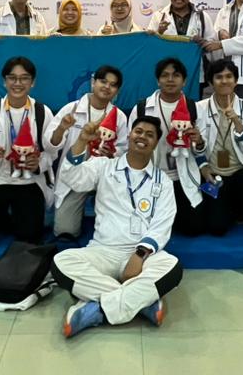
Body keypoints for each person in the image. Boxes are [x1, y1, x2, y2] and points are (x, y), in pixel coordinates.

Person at [51, 115, 183, 337]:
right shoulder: (104, 166)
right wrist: (82, 140)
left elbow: (163, 223)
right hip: (103, 250)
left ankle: (96, 309)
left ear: (155, 144)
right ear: (129, 135)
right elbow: (73, 178)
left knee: (172, 267)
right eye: (138, 131)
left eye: (150, 135)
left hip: (142, 255)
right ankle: (142, 302)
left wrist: (139, 255)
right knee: (61, 262)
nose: (142, 137)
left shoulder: (163, 181)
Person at [0, 56, 61, 247]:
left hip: (29, 180)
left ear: (32, 82)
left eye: (24, 78)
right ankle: (1, 213)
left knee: (29, 237)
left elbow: (51, 153)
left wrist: (38, 164)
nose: (18, 83)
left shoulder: (42, 112)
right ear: (4, 81)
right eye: (12, 78)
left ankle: (11, 215)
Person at [127, 58, 210, 236]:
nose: (170, 80)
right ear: (158, 81)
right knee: (142, 226)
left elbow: (202, 150)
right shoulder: (142, 108)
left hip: (181, 177)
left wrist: (199, 141)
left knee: (194, 228)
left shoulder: (194, 108)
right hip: (151, 177)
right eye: (165, 75)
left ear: (184, 81)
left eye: (176, 75)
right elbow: (130, 147)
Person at [51, 65, 128, 241]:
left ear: (117, 91)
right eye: (103, 81)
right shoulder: (71, 109)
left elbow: (124, 150)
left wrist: (112, 154)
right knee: (65, 231)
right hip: (75, 173)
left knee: (114, 232)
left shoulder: (120, 117)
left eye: (113, 85)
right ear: (93, 82)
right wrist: (62, 128)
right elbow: (52, 145)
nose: (107, 87)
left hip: (105, 175)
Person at [196, 58, 243, 235]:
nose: (224, 81)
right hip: (213, 173)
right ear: (211, 82)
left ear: (236, 81)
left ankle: (234, 204)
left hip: (239, 169)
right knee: (217, 228)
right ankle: (228, 205)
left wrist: (237, 122)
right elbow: (195, 148)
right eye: (219, 77)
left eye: (229, 76)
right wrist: (203, 166)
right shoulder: (200, 108)